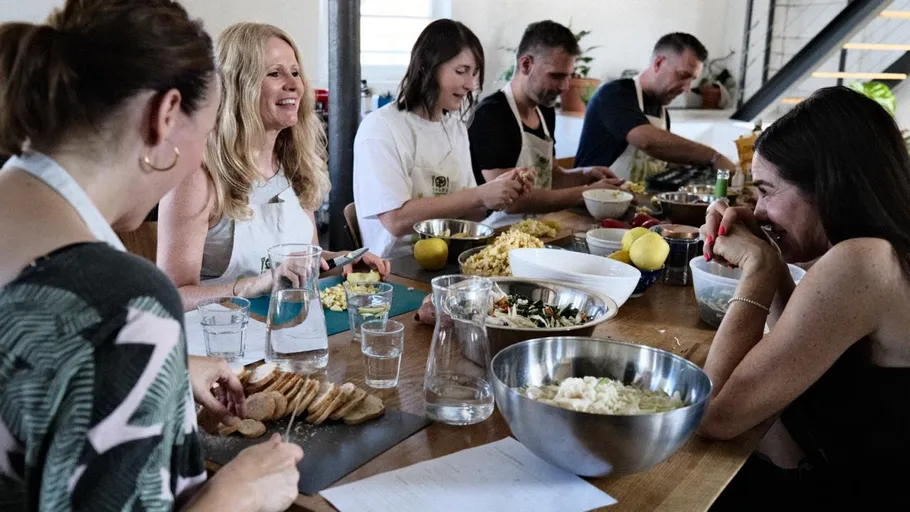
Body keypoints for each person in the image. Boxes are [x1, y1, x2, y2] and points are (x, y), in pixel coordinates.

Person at [0, 1, 302, 511]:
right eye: (205, 133)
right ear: (165, 116)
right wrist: (237, 494)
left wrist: (167, 368)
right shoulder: (123, 301)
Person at [696, 87, 910, 509]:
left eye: (766, 191)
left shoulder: (863, 261)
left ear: (827, 185)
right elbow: (796, 348)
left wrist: (758, 267)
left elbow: (713, 414)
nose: (758, 212)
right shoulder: (887, 254)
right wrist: (771, 255)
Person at [157, 22, 389, 311]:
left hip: (292, 326)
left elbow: (306, 262)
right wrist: (251, 286)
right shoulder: (196, 175)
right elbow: (171, 297)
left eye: (295, 72)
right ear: (238, 85)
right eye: (275, 73)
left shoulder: (296, 164)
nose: (294, 85)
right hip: (222, 336)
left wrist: (343, 260)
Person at [353, 19, 533, 259]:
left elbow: (470, 215)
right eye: (461, 71)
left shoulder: (455, 128)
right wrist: (480, 195)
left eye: (474, 73)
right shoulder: (381, 127)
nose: (470, 84)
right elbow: (396, 220)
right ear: (428, 67)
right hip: (394, 267)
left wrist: (502, 192)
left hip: (452, 259)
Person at [468, 20, 623, 227]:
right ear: (526, 65)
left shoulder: (544, 110)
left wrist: (584, 175)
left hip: (537, 228)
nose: (564, 87)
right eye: (556, 76)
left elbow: (551, 176)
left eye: (568, 76)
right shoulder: (491, 115)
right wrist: (586, 193)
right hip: (495, 232)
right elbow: (511, 201)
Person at [574, 32, 737, 182]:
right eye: (682, 76)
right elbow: (646, 141)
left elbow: (660, 161)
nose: (686, 88)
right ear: (658, 63)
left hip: (635, 199)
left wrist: (696, 166)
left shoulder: (662, 112)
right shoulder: (614, 94)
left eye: (691, 80)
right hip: (591, 200)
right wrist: (713, 156)